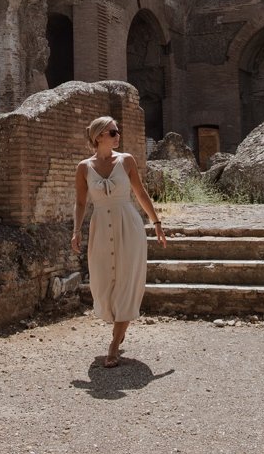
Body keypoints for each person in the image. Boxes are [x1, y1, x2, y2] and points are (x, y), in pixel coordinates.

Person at [71, 115, 166, 368]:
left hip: (129, 225)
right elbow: (81, 202)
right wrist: (76, 230)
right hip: (100, 226)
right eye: (113, 132)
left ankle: (113, 344)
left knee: (126, 280)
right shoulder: (83, 167)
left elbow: (140, 192)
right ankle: (119, 327)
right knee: (103, 281)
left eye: (117, 132)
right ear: (99, 136)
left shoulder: (127, 161)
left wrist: (156, 223)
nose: (118, 135)